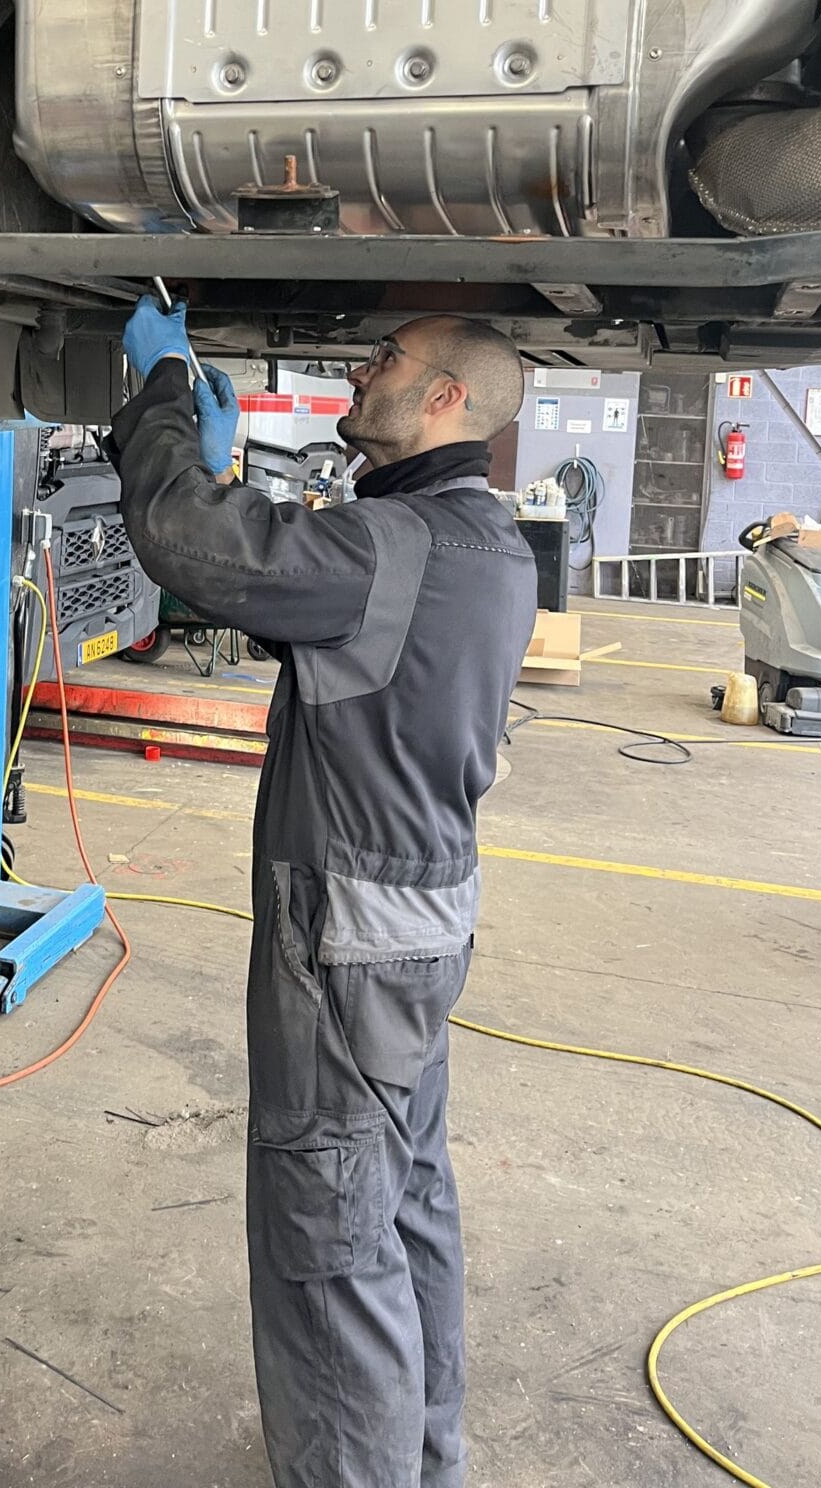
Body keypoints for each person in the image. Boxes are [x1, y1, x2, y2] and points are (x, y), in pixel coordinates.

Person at [110, 302, 538, 1488]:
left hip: (346, 937)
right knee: (404, 1203)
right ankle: (422, 1459)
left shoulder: (388, 550)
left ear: (446, 399)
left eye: (388, 358)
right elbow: (282, 583)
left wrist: (156, 407)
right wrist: (221, 464)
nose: (364, 365)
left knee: (328, 1226)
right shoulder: (484, 543)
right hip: (424, 924)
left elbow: (190, 545)